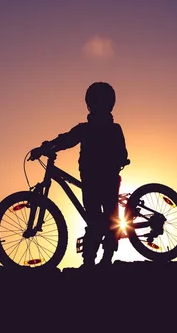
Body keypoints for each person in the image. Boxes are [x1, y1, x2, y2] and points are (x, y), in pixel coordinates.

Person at [28, 82, 129, 268]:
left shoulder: (89, 129)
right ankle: (96, 259)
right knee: (101, 217)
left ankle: (97, 259)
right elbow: (65, 139)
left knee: (101, 217)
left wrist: (44, 148)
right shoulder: (103, 129)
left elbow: (66, 140)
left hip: (96, 178)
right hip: (100, 177)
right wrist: (46, 147)